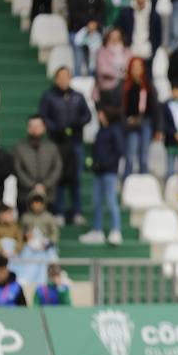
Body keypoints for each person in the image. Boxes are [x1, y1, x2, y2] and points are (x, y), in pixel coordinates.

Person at [39, 66, 91, 223]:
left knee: (75, 177)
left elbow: (87, 115)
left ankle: (77, 211)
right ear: (56, 79)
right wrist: (56, 128)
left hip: (75, 142)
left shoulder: (78, 96)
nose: (63, 80)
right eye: (60, 77)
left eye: (66, 77)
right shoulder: (49, 97)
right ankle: (59, 211)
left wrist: (75, 124)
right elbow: (44, 116)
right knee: (58, 177)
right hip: (56, 143)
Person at [83, 107, 124, 246]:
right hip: (98, 172)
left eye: (101, 112)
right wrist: (95, 164)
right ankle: (97, 230)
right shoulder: (101, 131)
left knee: (111, 201)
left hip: (109, 172)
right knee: (97, 201)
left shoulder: (115, 131)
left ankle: (116, 230)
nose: (99, 115)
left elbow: (119, 151)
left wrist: (106, 164)